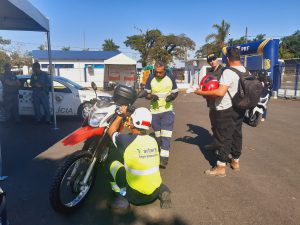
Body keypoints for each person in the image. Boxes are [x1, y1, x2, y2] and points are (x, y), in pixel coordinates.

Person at [107, 106, 171, 211]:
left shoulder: (125, 140)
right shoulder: (153, 140)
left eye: (131, 119)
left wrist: (120, 115)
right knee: (149, 174)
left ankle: (121, 197)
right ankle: (163, 191)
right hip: (154, 193)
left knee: (112, 165)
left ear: (134, 122)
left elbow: (111, 131)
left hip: (135, 196)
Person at [194, 47, 246, 177]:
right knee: (236, 134)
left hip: (226, 109)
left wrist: (201, 92)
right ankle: (235, 161)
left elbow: (220, 92)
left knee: (224, 136)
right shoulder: (244, 70)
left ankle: (220, 166)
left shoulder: (228, 72)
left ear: (228, 59)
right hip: (239, 108)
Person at [144, 61, 178, 168]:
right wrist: (151, 97)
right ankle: (161, 148)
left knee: (166, 135)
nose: (158, 75)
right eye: (156, 72)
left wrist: (172, 97)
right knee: (158, 136)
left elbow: (175, 92)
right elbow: (146, 93)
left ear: (164, 70)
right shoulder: (150, 78)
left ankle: (163, 159)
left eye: (160, 72)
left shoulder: (170, 77)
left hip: (167, 110)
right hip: (154, 111)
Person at [204, 54, 224, 151]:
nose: (212, 62)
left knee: (221, 126)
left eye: (213, 59)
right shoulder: (209, 72)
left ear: (217, 60)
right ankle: (216, 144)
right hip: (211, 103)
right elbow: (205, 84)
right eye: (210, 61)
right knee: (214, 125)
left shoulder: (223, 71)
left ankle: (222, 148)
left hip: (221, 103)